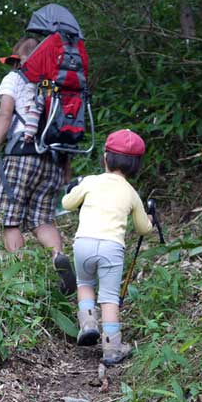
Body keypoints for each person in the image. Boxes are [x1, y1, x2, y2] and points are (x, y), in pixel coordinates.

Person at [0, 37, 76, 295]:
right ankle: (58, 255)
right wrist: (66, 167)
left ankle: (19, 281)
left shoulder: (15, 79)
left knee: (10, 220)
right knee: (42, 220)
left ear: (20, 59)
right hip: (53, 160)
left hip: (20, 155)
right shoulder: (52, 84)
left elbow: (4, 114)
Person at [61, 129, 154, 365]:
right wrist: (151, 221)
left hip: (83, 244)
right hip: (112, 249)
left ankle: (88, 323)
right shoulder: (131, 193)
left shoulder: (91, 182)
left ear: (105, 158)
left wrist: (76, 187)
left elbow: (67, 203)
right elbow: (144, 229)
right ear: (136, 166)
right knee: (110, 298)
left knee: (85, 284)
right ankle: (112, 348)